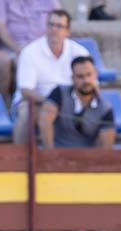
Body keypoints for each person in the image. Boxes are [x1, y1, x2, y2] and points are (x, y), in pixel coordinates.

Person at [37, 55, 114, 231]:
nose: (85, 80)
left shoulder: (105, 107)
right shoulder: (59, 93)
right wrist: (50, 153)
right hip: (60, 156)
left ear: (95, 75)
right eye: (80, 76)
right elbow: (45, 120)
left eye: (88, 75)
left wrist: (93, 164)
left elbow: (106, 145)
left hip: (88, 161)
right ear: (72, 78)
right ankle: (80, 230)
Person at [11, 10, 87, 144]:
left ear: (68, 31)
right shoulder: (30, 52)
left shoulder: (80, 52)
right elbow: (26, 91)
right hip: (35, 102)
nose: (54, 29)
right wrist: (52, 103)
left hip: (70, 102)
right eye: (50, 25)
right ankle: (19, 158)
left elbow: (90, 83)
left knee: (99, 112)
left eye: (59, 26)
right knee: (27, 115)